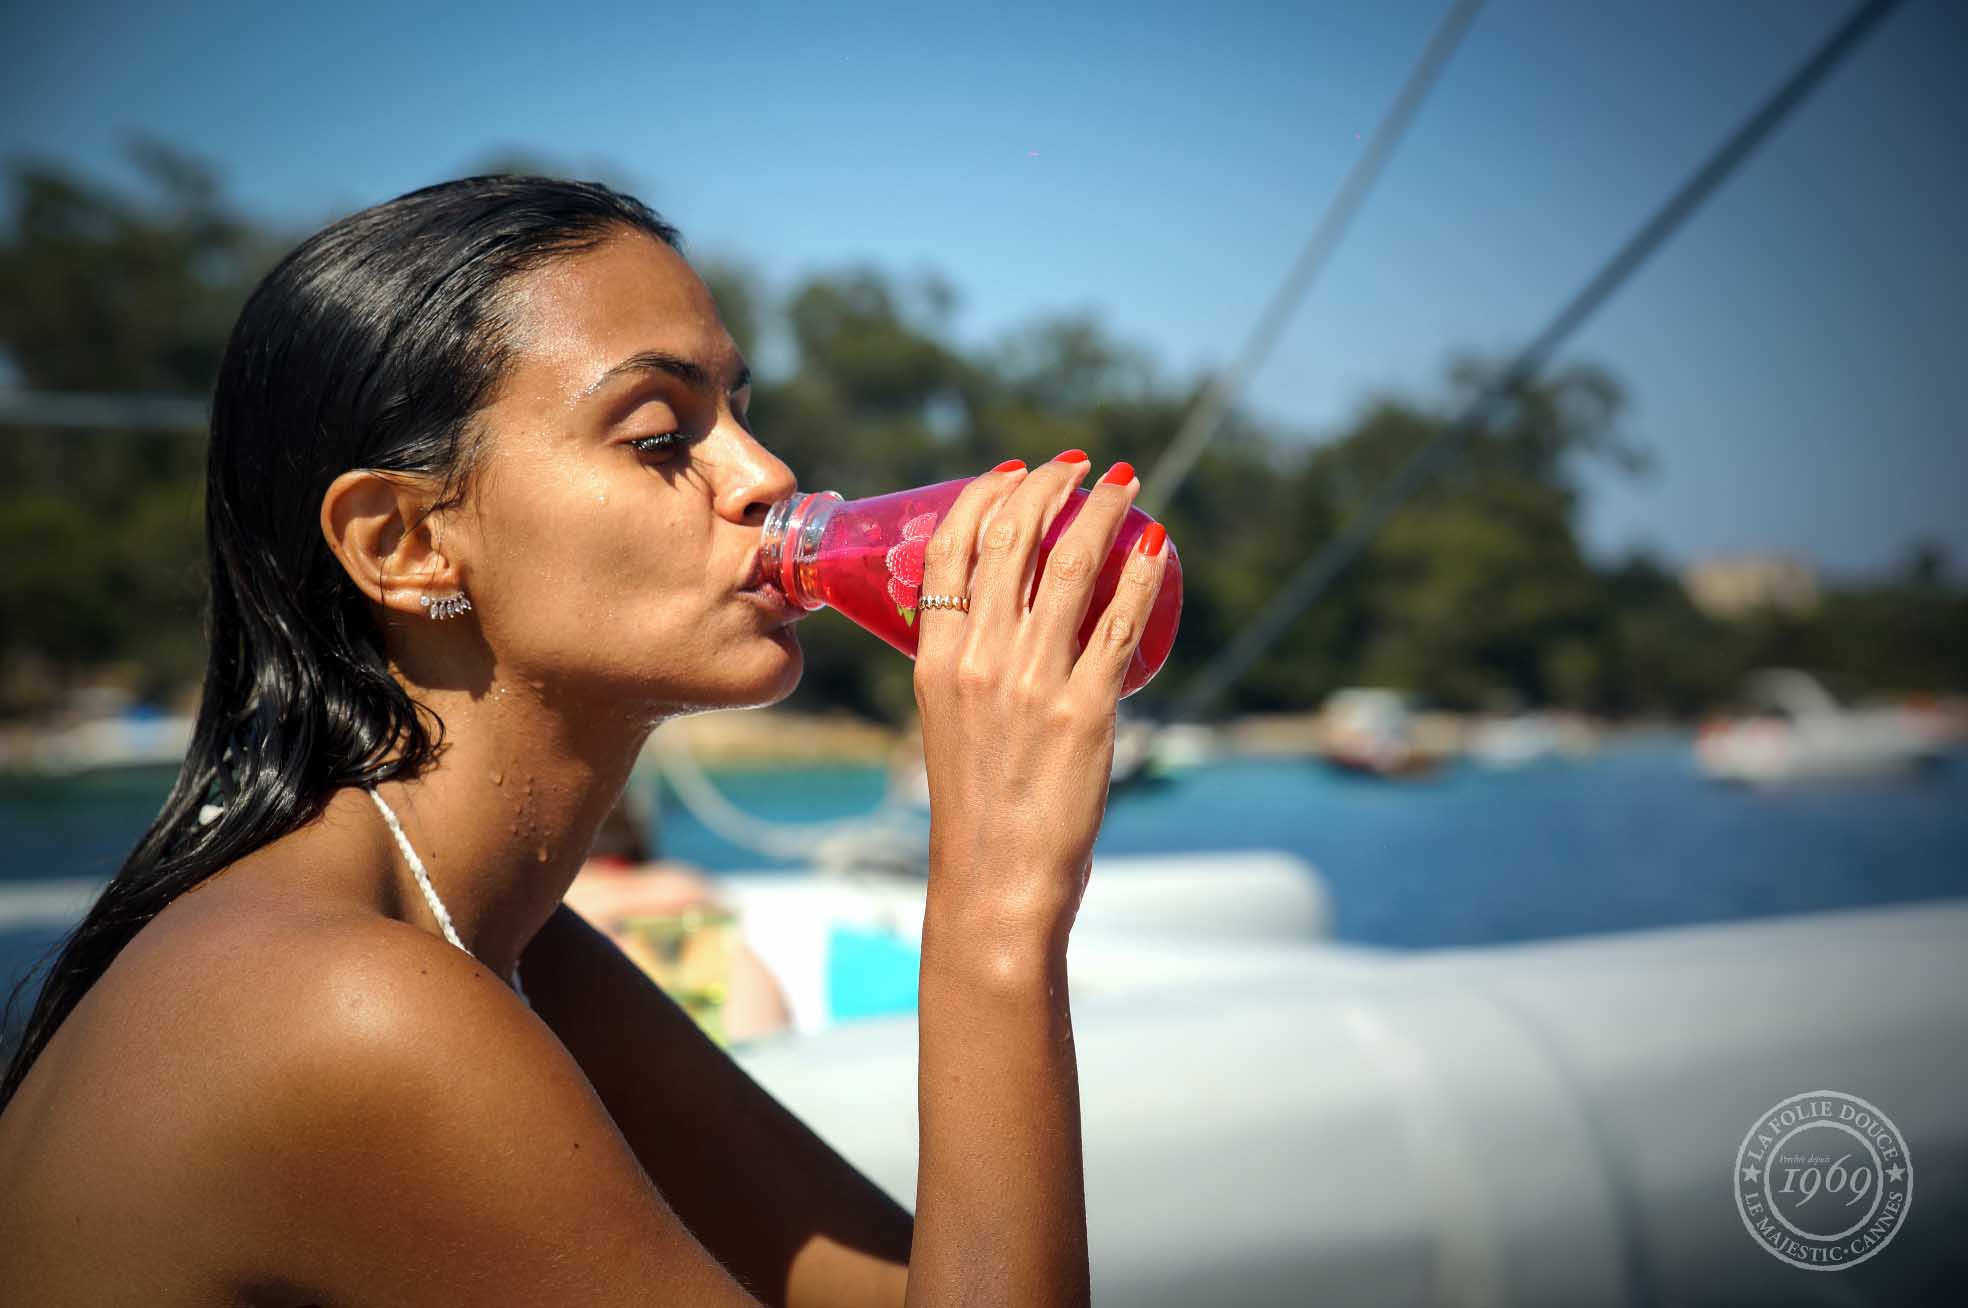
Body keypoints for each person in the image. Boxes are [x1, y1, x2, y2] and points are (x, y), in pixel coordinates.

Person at [0, 176, 1169, 1306]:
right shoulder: (348, 1006)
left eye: (741, 412)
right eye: (660, 436)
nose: (767, 476)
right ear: (405, 543)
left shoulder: (521, 955)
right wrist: (997, 908)